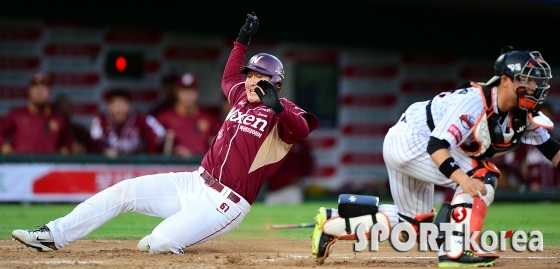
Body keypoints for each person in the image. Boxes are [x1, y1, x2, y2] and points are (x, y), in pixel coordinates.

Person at [12, 12, 318, 255]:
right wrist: (241, 42)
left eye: (259, 77)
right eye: (250, 75)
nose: (252, 82)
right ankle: (54, 234)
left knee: (158, 243)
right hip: (195, 181)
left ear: (275, 82)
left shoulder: (283, 112)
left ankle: (173, 239)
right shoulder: (241, 96)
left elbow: (302, 129)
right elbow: (228, 78)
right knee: (125, 191)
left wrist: (277, 106)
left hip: (226, 203)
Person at [310, 46, 558, 267]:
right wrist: (463, 180)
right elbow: (437, 145)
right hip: (413, 140)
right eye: (527, 80)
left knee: (413, 226)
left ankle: (332, 224)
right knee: (482, 176)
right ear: (505, 80)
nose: (534, 87)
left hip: (406, 141)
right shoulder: (475, 103)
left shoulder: (521, 113)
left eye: (536, 82)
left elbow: (552, 150)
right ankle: (455, 251)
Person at [0, 72, 73, 155]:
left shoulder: (58, 118)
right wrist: (6, 148)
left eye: (44, 88)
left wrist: (62, 156)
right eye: (36, 87)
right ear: (29, 91)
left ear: (50, 92)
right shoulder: (16, 115)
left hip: (49, 166)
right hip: (20, 166)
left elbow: (68, 142)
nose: (39, 91)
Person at [155, 73, 221, 158]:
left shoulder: (209, 118)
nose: (188, 95)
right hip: (174, 167)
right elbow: (154, 147)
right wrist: (174, 149)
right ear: (177, 92)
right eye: (184, 91)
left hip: (202, 167)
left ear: (197, 92)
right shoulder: (164, 118)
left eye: (191, 90)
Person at [90, 89, 166, 157]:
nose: (119, 110)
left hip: (137, 165)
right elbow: (96, 141)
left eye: (123, 105)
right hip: (107, 166)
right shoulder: (101, 120)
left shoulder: (141, 119)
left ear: (130, 106)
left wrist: (148, 150)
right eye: (115, 105)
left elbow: (160, 135)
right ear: (109, 106)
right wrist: (105, 150)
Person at [264, 139, 314, 205]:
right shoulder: (273, 142)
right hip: (273, 188)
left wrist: (299, 176)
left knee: (295, 213)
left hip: (292, 188)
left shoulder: (300, 143)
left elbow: (308, 164)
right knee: (268, 213)